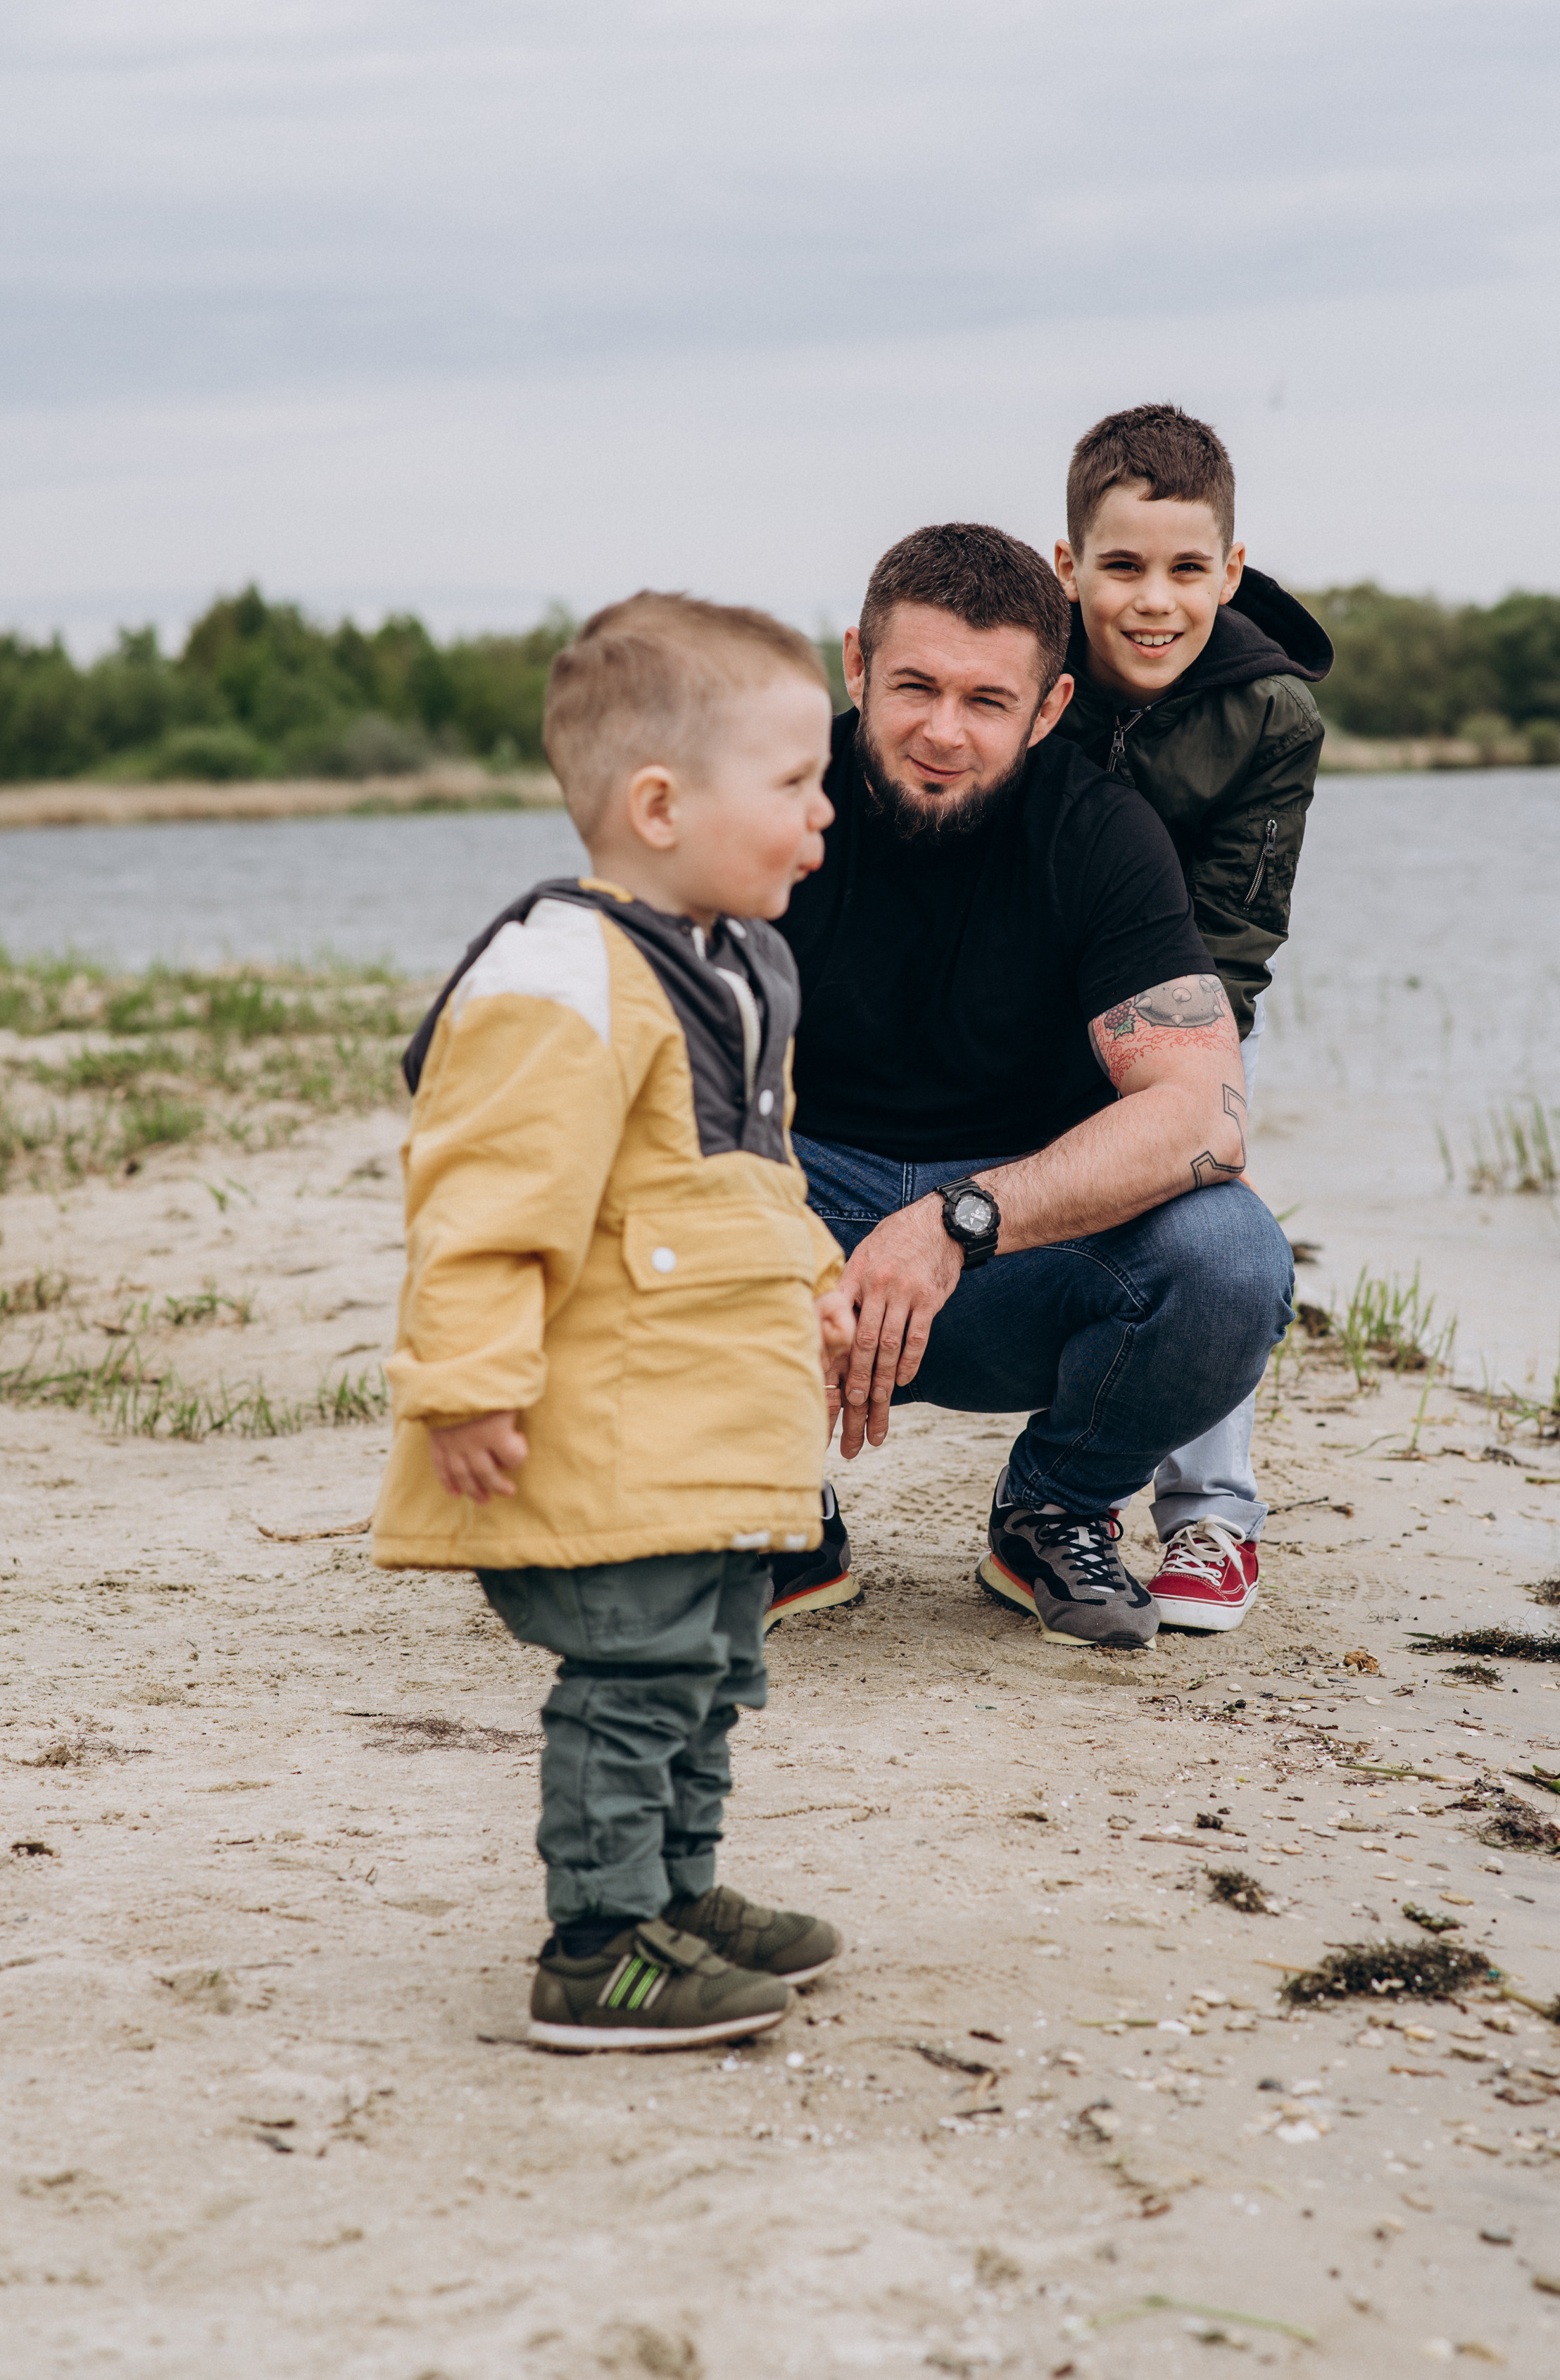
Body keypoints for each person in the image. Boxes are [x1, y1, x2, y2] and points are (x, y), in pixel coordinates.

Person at [371, 591, 855, 2051]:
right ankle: (595, 1946)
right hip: (612, 1433)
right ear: (659, 806)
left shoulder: (738, 962)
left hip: (711, 1431)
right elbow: (485, 1199)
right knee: (637, 1678)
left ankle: (675, 1897)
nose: (825, 813)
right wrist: (466, 1381)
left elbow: (752, 1174)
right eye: (794, 783)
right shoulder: (563, 974)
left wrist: (815, 1279)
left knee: (711, 1671)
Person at [767, 523, 1294, 1649]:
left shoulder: (1102, 835)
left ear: (1049, 708)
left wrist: (954, 1222)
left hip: (1011, 1258)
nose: (943, 732)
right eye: (915, 686)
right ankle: (763, 1504)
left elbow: (1203, 1112)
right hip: (798, 1230)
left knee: (1233, 1259)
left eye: (988, 701)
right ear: (856, 664)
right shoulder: (764, 807)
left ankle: (1053, 1507)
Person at [1051, 405, 1331, 1629]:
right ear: (1069, 568)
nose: (1154, 601)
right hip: (1021, 996)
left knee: (1206, 1204)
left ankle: (1212, 1514)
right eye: (1121, 567)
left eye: (1185, 569)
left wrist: (1176, 1090)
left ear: (1230, 567)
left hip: (1183, 1003)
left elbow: (1237, 931)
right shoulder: (1025, 669)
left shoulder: (1273, 714)